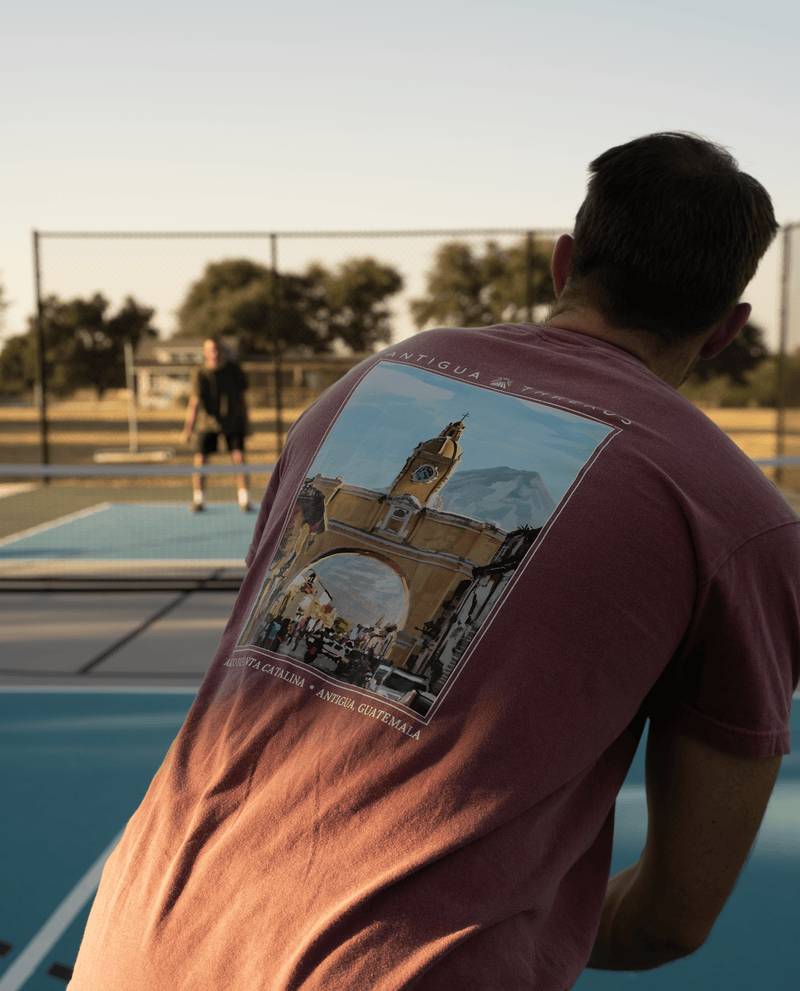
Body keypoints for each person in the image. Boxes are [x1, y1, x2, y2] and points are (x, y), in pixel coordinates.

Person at [69, 133, 800, 991]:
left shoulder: (369, 387)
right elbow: (672, 917)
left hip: (139, 940)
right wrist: (517, 919)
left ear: (567, 262)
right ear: (726, 330)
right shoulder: (742, 525)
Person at [181, 336, 252, 513]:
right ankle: (199, 500)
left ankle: (245, 500)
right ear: (205, 352)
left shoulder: (234, 371)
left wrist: (247, 423)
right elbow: (194, 403)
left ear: (222, 351)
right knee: (200, 462)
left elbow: (243, 400)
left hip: (233, 423)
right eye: (211, 349)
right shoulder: (199, 373)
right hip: (206, 425)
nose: (215, 353)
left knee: (239, 460)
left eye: (218, 349)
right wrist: (187, 429)